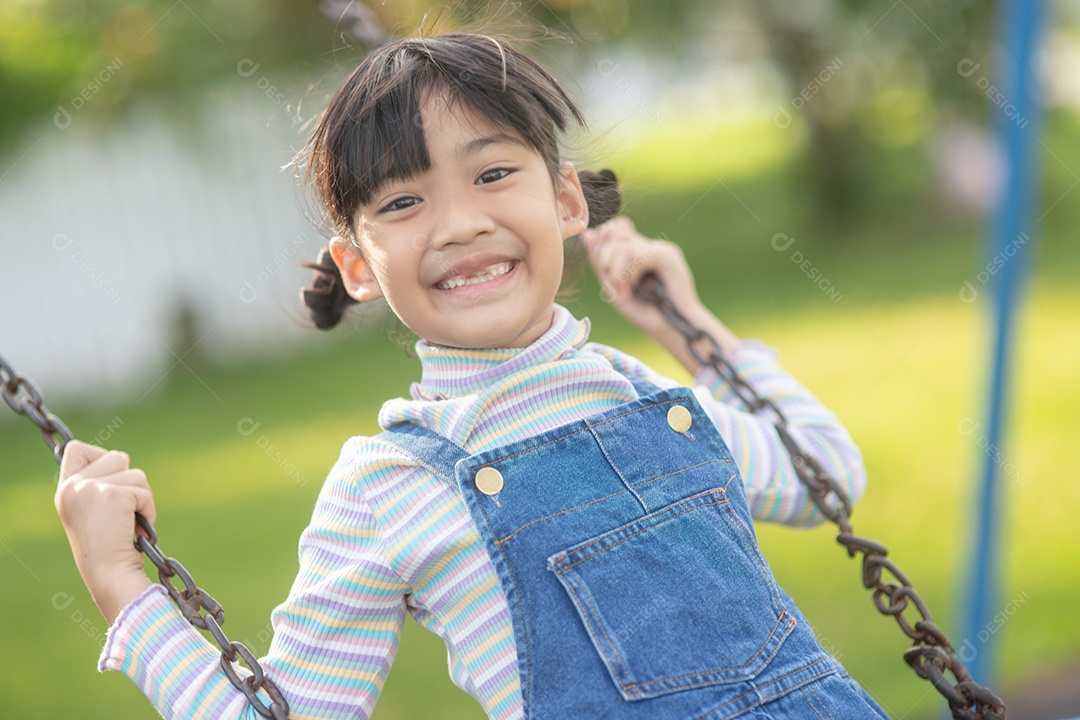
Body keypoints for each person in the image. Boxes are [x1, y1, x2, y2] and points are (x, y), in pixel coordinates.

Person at [54, 31, 889, 719]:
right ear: (358, 265)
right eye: (403, 203)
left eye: (493, 174)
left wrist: (691, 323)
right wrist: (122, 585)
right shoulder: (387, 486)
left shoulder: (644, 393)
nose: (459, 223)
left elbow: (825, 479)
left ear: (565, 201)